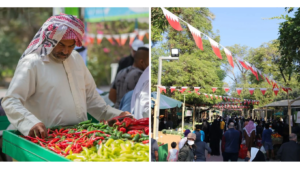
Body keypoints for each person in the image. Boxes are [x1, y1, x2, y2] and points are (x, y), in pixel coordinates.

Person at [1, 14, 130, 138]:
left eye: (71, 46)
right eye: (61, 44)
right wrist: (31, 123)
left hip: (78, 137)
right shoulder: (32, 63)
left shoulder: (76, 59)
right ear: (50, 40)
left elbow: (92, 99)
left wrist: (116, 115)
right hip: (43, 140)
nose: (66, 51)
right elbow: (11, 100)